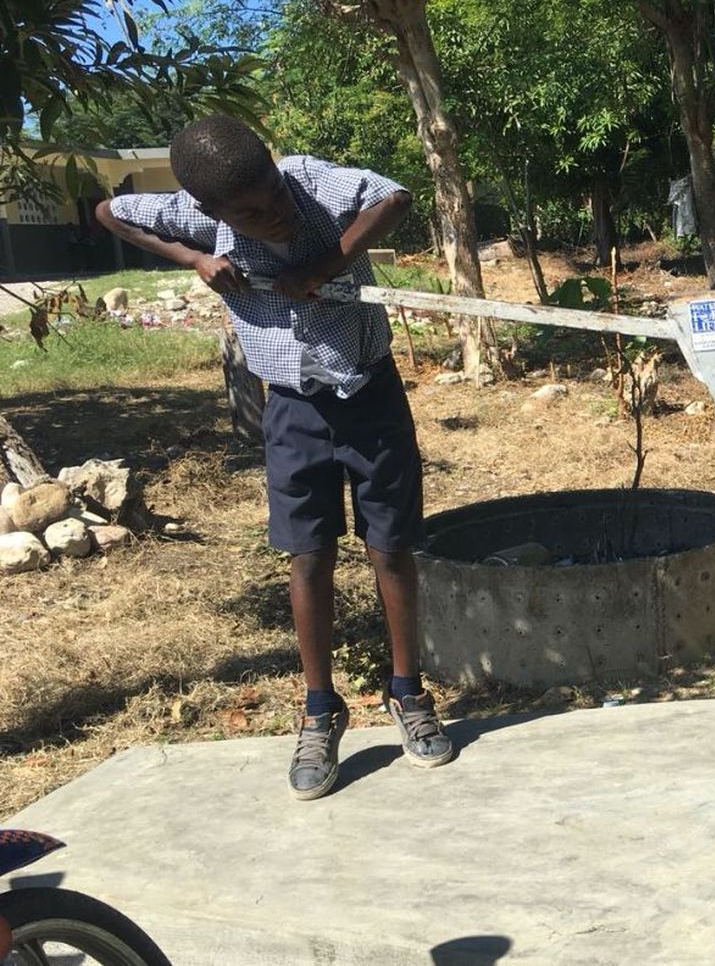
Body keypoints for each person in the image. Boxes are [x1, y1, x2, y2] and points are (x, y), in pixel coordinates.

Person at [95, 115, 454, 801]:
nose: (275, 214)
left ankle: (407, 691)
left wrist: (325, 262)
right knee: (308, 554)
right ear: (210, 214)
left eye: (273, 193)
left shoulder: (316, 184)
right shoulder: (200, 222)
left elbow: (394, 197)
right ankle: (322, 707)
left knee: (392, 545)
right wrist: (193, 259)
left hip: (369, 390)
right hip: (291, 408)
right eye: (252, 213)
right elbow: (110, 210)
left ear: (273, 162)